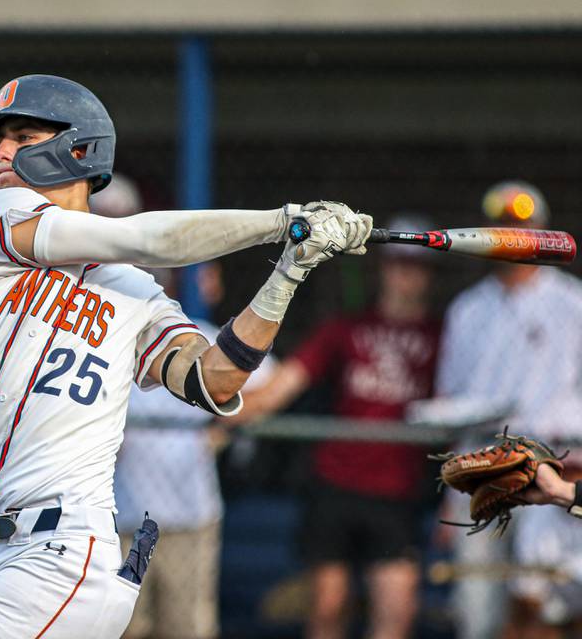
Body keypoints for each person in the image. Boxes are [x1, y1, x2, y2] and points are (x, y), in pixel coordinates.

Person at [0, 74, 373, 639]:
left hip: (60, 553)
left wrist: (289, 270)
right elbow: (143, 239)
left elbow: (215, 380)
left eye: (22, 136)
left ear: (79, 149)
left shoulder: (136, 294)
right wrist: (280, 223)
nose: (0, 151)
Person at [232, 215, 442, 639]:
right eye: (398, 263)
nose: (406, 274)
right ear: (383, 268)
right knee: (328, 606)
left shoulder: (444, 335)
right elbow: (281, 388)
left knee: (396, 610)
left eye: (416, 265)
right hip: (336, 484)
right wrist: (215, 413)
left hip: (397, 491)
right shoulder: (346, 328)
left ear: (430, 274)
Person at [93, 174, 275, 639]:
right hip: (113, 518)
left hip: (188, 514)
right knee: (120, 629)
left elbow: (271, 381)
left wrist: (223, 424)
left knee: (186, 629)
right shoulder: (88, 328)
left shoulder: (185, 326)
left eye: (122, 223)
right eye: (104, 222)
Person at [434, 180, 582, 639]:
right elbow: (451, 402)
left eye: (521, 228)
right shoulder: (467, 309)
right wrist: (447, 491)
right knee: (478, 613)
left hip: (557, 466)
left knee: (547, 603)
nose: (511, 237)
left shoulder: (573, 302)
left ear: (540, 231)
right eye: (502, 228)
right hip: (484, 471)